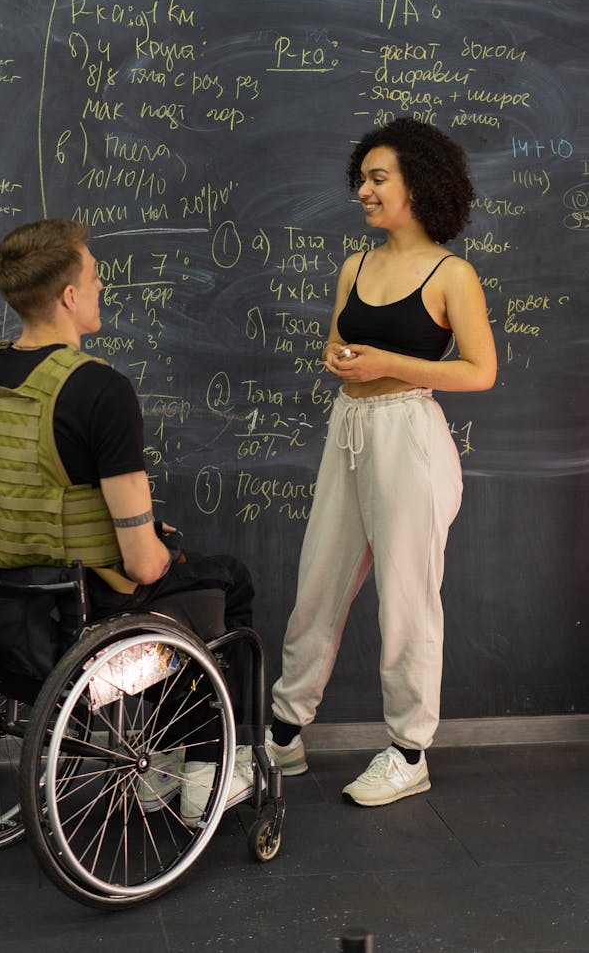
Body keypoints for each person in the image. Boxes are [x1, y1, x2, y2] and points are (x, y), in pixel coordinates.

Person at [0, 218, 256, 825]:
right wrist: (158, 550)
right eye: (93, 276)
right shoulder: (99, 390)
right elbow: (141, 563)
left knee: (173, 579)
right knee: (218, 582)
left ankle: (163, 764)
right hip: (86, 616)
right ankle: (207, 768)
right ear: (68, 296)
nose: (100, 287)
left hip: (4, 606)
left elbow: (42, 493)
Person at [267, 118, 497, 806]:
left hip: (409, 437)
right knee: (318, 583)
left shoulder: (452, 273)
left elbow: (480, 371)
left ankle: (408, 750)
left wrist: (391, 363)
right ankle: (284, 732)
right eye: (361, 179)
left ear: (417, 185)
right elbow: (337, 346)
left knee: (407, 599)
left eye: (377, 178)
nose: (362, 191)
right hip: (351, 429)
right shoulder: (355, 267)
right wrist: (339, 361)